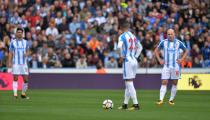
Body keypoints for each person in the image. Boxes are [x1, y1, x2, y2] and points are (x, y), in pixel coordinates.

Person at [155, 29, 189, 105]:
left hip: (175, 66)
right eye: (168, 34)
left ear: (174, 34)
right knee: (164, 82)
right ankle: (160, 100)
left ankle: (171, 100)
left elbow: (186, 50)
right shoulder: (164, 42)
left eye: (171, 34)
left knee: (175, 82)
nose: (170, 35)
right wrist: (160, 60)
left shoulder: (178, 43)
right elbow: (156, 51)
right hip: (166, 66)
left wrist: (182, 59)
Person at [117, 22, 143, 110]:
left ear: (122, 28)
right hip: (134, 60)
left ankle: (136, 104)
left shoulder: (122, 36)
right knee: (128, 83)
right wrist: (136, 56)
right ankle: (125, 104)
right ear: (128, 27)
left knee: (129, 82)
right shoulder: (134, 36)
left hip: (127, 60)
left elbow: (119, 46)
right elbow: (140, 47)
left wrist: (121, 56)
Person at [9, 28, 30, 99]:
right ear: (16, 33)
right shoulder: (13, 42)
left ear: (22, 33)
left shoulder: (26, 42)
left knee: (26, 80)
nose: (19, 33)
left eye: (21, 32)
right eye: (18, 32)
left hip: (24, 63)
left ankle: (23, 94)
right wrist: (9, 62)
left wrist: (26, 54)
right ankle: (15, 95)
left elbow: (28, 51)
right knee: (15, 78)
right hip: (16, 63)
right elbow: (10, 53)